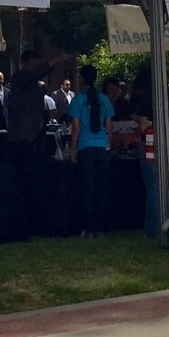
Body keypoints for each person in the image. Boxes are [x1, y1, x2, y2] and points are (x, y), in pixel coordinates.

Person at [66, 64, 113, 237]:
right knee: (101, 189)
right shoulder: (104, 99)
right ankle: (100, 228)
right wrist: (110, 145)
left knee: (87, 190)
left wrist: (73, 149)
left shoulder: (78, 100)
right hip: (103, 146)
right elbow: (109, 126)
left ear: (82, 79)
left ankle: (88, 228)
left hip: (86, 147)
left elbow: (76, 128)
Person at [6, 52, 47, 154]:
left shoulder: (37, 84)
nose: (34, 69)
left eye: (37, 66)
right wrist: (53, 61)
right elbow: (33, 76)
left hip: (36, 130)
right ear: (24, 63)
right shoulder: (19, 78)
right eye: (32, 65)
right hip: (21, 134)